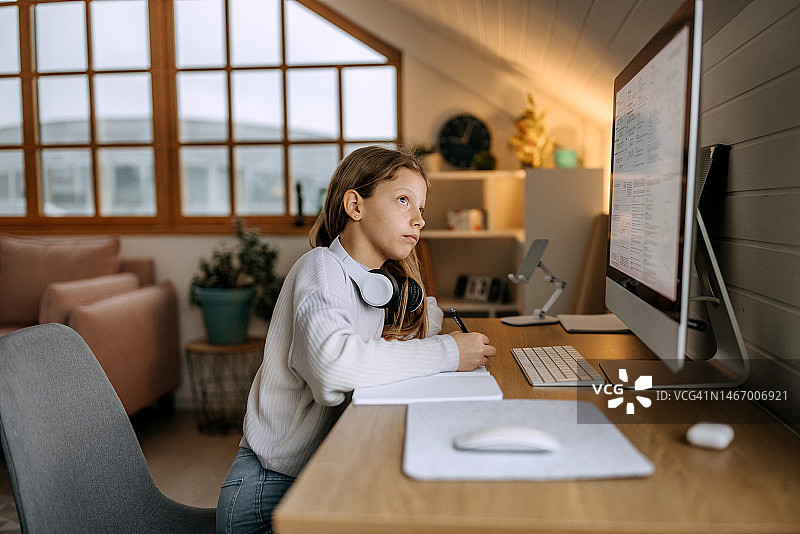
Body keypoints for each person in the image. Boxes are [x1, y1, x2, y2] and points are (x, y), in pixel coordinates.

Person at [216, 146, 496, 534]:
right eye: (403, 201)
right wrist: (448, 352)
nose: (418, 220)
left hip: (314, 477)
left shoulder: (374, 286)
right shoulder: (321, 269)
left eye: (422, 209)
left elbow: (400, 342)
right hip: (269, 494)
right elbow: (335, 366)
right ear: (355, 205)